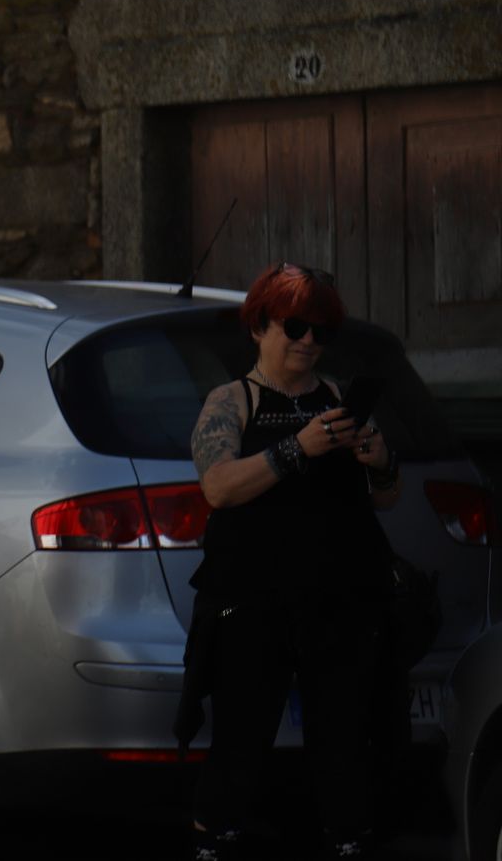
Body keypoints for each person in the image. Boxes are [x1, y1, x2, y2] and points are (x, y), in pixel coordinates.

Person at [182, 262, 402, 861]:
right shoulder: (231, 402)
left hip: (338, 603)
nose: (308, 342)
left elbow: (385, 498)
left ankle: (349, 841)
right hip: (254, 602)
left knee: (345, 744)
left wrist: (378, 459)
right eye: (296, 326)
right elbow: (220, 487)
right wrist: (296, 448)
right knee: (240, 742)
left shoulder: (337, 399)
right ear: (260, 326)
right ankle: (215, 842)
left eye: (321, 332)